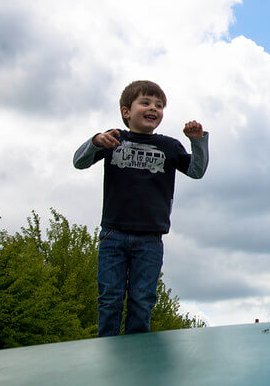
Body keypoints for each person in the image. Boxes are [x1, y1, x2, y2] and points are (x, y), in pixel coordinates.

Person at [73, 80, 209, 335]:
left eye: (159, 105)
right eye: (145, 103)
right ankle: (108, 354)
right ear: (126, 111)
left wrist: (197, 141)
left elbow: (196, 171)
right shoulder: (113, 138)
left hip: (150, 239)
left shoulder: (169, 146)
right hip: (113, 235)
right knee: (109, 299)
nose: (153, 108)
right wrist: (95, 141)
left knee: (142, 300)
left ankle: (136, 361)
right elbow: (79, 163)